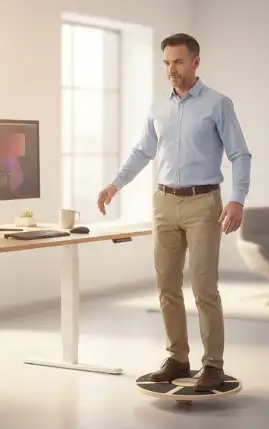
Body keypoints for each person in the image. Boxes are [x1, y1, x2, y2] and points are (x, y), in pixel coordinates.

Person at [97, 33, 252, 391]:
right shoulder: (158, 107)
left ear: (196, 62)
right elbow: (142, 152)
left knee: (203, 287)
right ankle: (177, 357)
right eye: (166, 62)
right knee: (167, 286)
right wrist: (114, 185)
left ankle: (212, 364)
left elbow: (239, 154)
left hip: (203, 203)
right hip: (164, 202)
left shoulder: (218, 104)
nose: (171, 69)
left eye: (178, 62)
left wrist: (237, 199)